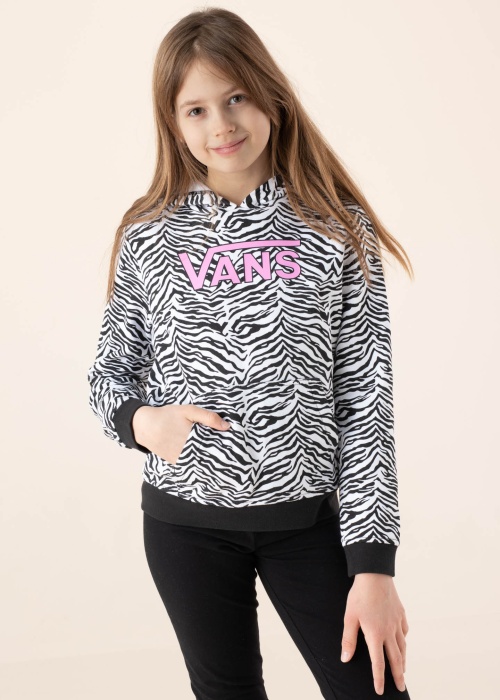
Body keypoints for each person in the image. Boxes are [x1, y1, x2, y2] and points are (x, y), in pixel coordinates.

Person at [87, 7, 414, 699]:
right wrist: (144, 423)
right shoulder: (149, 233)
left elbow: (366, 400)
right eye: (197, 109)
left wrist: (374, 566)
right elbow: (108, 374)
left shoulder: (335, 227)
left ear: (270, 95)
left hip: (310, 524)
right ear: (174, 123)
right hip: (185, 528)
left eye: (236, 97)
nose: (221, 124)